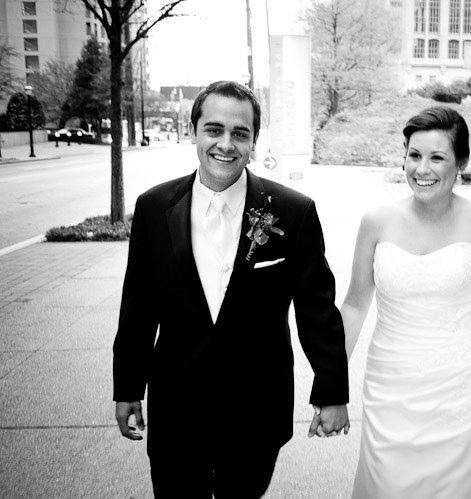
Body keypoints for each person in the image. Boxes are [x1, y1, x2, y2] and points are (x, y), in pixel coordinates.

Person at [113, 80, 350, 498]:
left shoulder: (293, 212)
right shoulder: (153, 207)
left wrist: (332, 393)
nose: (226, 144)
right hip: (177, 406)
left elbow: (317, 311)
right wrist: (128, 387)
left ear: (254, 141)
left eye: (240, 133)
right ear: (193, 132)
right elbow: (139, 304)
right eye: (214, 129)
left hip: (256, 409)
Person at [342, 106, 471, 498]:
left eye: (437, 157)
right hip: (390, 390)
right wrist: (330, 387)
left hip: (461, 391)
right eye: (414, 155)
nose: (422, 169)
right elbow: (355, 305)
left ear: (461, 162)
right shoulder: (376, 221)